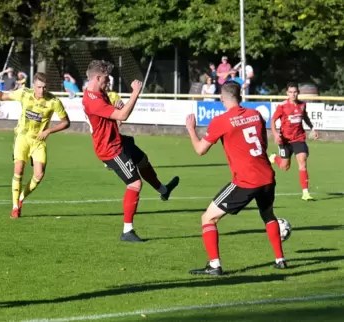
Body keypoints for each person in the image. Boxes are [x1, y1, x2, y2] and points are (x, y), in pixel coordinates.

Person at [185, 82, 286, 275]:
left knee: (208, 218)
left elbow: (200, 150)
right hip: (266, 177)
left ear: (222, 98)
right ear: (240, 96)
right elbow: (262, 145)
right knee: (268, 215)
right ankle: (280, 259)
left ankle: (214, 265)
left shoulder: (221, 120)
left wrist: (191, 129)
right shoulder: (255, 115)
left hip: (245, 181)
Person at [83, 60, 180, 242]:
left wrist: (117, 113)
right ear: (97, 77)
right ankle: (127, 231)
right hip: (110, 149)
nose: (108, 82)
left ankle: (163, 190)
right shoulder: (93, 100)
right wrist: (135, 93)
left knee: (143, 160)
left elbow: (114, 119)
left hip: (118, 140)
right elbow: (123, 116)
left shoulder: (98, 94)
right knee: (135, 184)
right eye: (106, 79)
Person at [0, 72, 70, 218]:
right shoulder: (24, 93)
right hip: (23, 137)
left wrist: (48, 131)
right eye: (39, 87)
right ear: (34, 85)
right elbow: (2, 96)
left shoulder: (54, 101)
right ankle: (15, 207)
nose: (42, 90)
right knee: (19, 169)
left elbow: (66, 122)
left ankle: (21, 197)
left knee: (39, 175)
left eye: (45, 87)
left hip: (38, 142)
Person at [269, 82, 318, 201]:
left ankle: (305, 193)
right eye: (290, 92)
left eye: (295, 92)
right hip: (285, 140)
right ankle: (275, 158)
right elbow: (273, 120)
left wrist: (312, 128)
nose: (293, 94)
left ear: (298, 93)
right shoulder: (282, 106)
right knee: (285, 167)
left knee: (302, 162)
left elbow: (305, 117)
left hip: (299, 138)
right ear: (287, 93)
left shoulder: (302, 105)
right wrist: (275, 134)